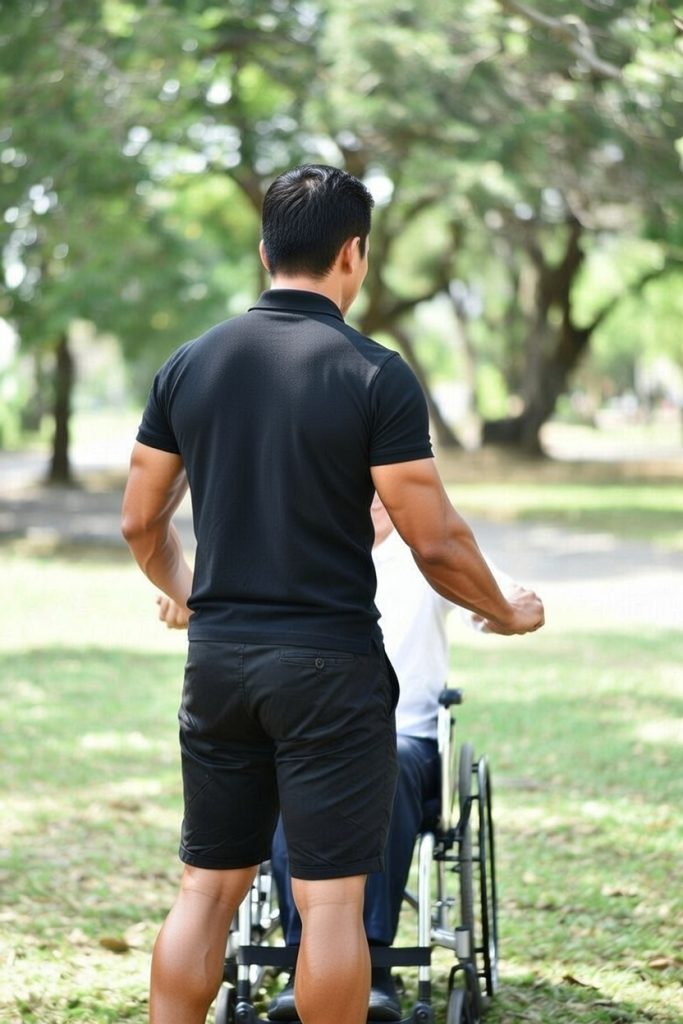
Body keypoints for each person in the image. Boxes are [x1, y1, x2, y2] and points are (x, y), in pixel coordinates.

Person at [121, 163, 544, 1024]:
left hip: (220, 666)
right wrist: (505, 610)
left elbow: (138, 522)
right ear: (353, 254)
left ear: (264, 246)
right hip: (330, 670)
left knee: (205, 889)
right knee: (330, 906)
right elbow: (434, 537)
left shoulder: (188, 365)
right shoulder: (373, 372)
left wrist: (197, 599)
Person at [266, 497, 516, 1022]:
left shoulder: (428, 551)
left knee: (388, 760)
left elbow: (492, 592)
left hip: (406, 740)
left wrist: (510, 604)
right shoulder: (312, 550)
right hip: (317, 739)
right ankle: (303, 962)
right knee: (291, 771)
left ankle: (373, 963)